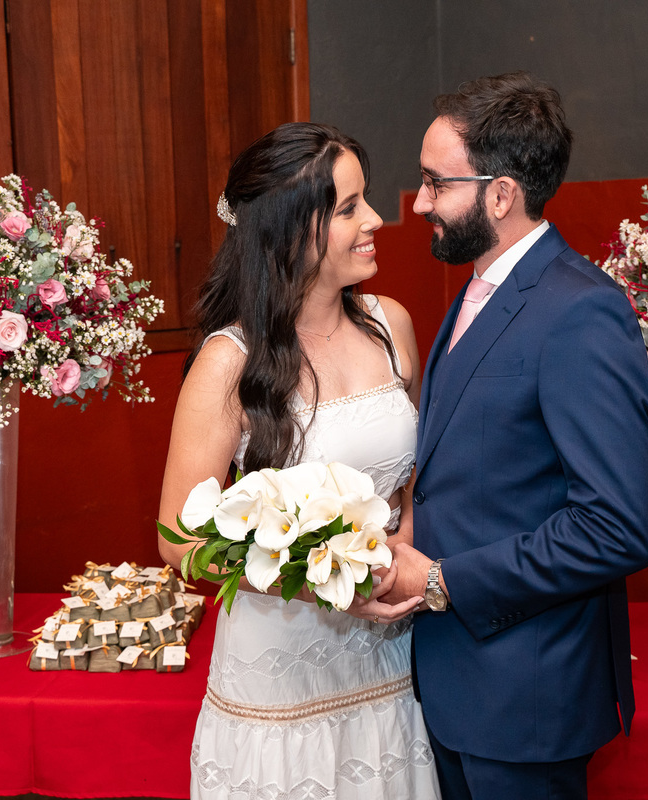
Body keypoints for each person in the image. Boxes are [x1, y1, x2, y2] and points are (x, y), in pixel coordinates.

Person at [383, 72, 648, 799]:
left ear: (499, 194)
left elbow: (615, 528)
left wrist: (442, 581)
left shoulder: (580, 310)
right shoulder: (478, 290)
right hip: (455, 685)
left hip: (526, 698)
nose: (419, 204)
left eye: (436, 184)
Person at [157, 122, 441, 800]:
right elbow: (180, 540)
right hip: (279, 671)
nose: (375, 219)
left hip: (385, 660)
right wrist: (319, 581)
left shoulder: (391, 325)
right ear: (290, 230)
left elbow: (415, 481)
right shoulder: (230, 363)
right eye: (348, 208)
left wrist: (399, 551)